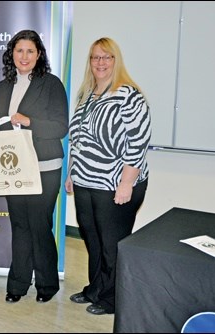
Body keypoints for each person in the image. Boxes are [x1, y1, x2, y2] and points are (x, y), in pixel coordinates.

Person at [65, 37, 151, 315]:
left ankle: (113, 298)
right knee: (93, 239)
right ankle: (95, 289)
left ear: (116, 61)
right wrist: (71, 173)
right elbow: (78, 140)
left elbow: (138, 142)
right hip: (85, 181)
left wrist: (126, 183)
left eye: (106, 57)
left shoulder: (128, 94)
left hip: (115, 183)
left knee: (112, 243)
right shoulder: (86, 94)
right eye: (95, 57)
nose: (100, 63)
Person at [0, 29, 69, 304]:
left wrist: (29, 121)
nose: (24, 56)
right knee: (20, 224)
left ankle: (47, 285)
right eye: (19, 50)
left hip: (44, 166)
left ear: (39, 55)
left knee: (38, 224)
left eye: (30, 51)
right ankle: (18, 284)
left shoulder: (51, 84)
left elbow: (61, 127)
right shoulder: (2, 87)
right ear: (11, 53)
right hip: (13, 167)